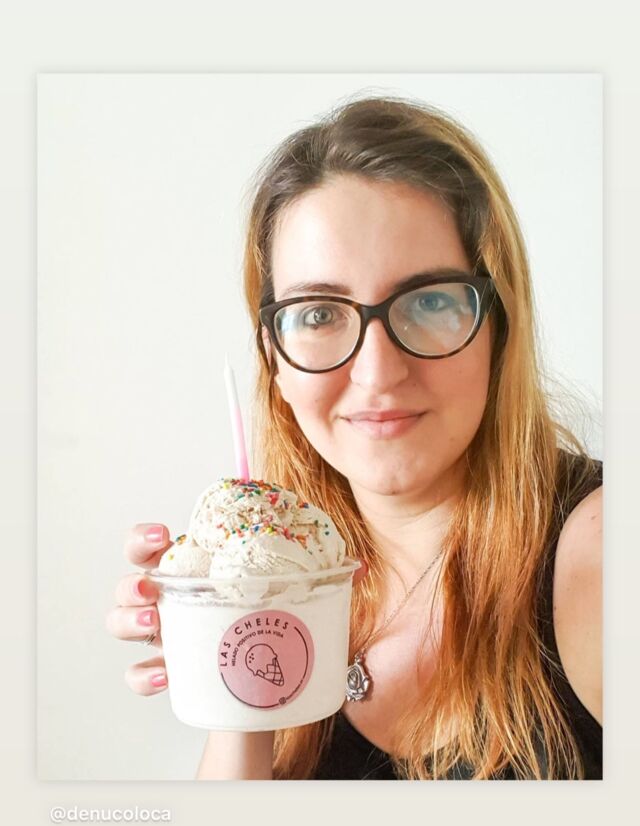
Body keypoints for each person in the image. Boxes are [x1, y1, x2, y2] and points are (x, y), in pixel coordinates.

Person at [106, 95, 602, 780]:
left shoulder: (601, 555)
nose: (377, 373)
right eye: (318, 313)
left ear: (499, 328)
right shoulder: (293, 580)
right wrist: (233, 672)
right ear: (274, 359)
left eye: (430, 301)